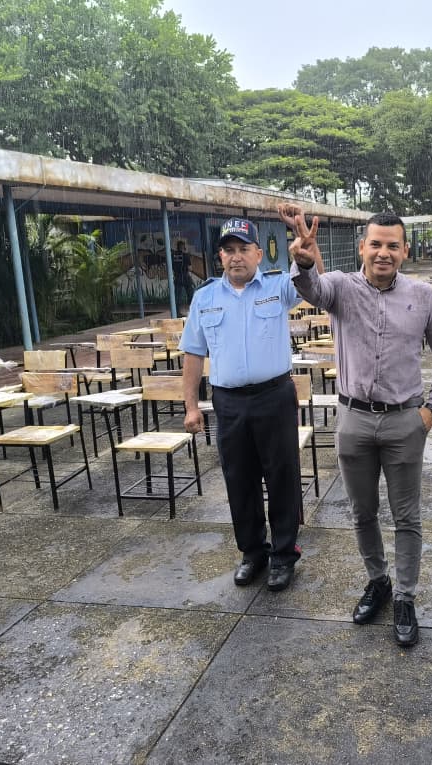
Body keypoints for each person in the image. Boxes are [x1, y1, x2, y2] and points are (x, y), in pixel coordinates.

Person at [281, 202, 432, 648]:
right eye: (376, 244)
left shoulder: (424, 298)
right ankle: (378, 581)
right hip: (354, 420)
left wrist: (431, 409)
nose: (383, 253)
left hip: (405, 422)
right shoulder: (341, 288)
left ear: (405, 251)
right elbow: (312, 289)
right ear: (362, 247)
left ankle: (405, 597)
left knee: (407, 517)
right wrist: (304, 260)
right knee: (362, 513)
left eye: (393, 246)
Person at [179, 217, 303, 592]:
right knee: (239, 478)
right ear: (220, 256)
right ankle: (252, 552)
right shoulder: (205, 298)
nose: (236, 257)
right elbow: (193, 354)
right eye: (228, 250)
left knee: (282, 477)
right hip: (229, 402)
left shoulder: (279, 286)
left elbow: (313, 284)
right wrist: (191, 406)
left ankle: (284, 554)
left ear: (258, 254)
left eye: (243, 249)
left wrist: (306, 253)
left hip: (274, 396)